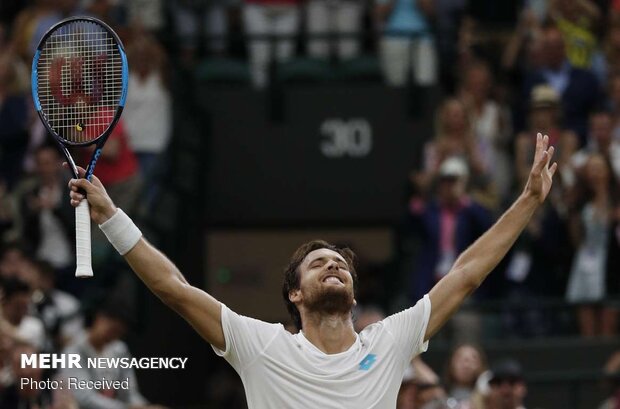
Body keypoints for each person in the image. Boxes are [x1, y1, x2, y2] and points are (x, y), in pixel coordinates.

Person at [66, 134, 557, 408]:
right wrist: (110, 215)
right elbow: (173, 288)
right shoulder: (261, 345)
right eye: (318, 263)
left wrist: (529, 201)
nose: (334, 266)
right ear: (295, 295)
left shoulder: (389, 342)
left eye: (341, 264)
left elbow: (466, 273)